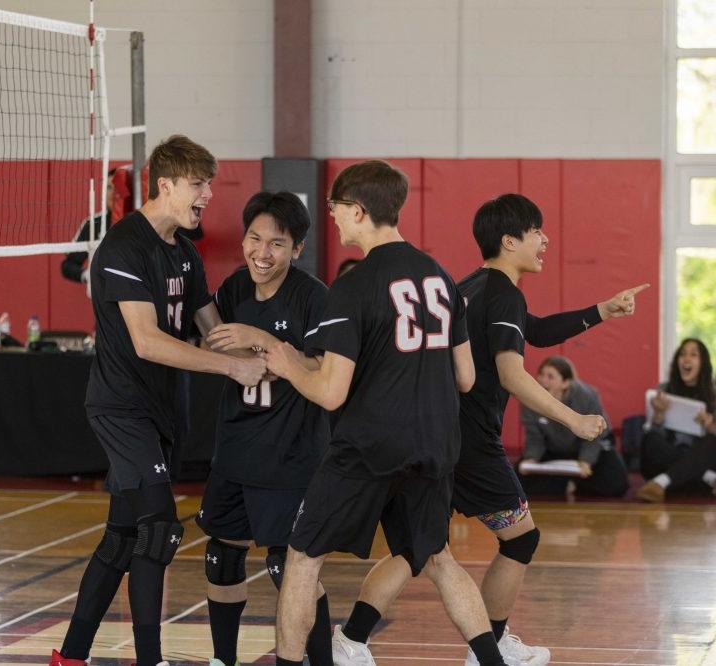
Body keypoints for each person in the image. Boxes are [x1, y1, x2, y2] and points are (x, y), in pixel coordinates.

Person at [331, 193, 647, 666]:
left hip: (433, 435)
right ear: (509, 240)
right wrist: (574, 419)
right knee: (520, 538)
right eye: (537, 231)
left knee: (419, 546)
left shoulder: (473, 286)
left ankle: (351, 639)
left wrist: (602, 310)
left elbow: (534, 330)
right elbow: (512, 373)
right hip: (470, 443)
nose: (545, 239)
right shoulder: (502, 293)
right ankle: (491, 645)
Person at [263, 160, 511, 666]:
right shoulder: (441, 276)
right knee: (439, 558)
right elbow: (466, 378)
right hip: (437, 444)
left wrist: (288, 364)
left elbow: (331, 394)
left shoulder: (353, 286)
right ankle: (493, 662)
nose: (331, 218)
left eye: (334, 209)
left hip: (370, 445)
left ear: (358, 210)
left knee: (303, 558)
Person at [49, 135, 266, 666]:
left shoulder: (185, 254)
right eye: (198, 184)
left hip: (162, 411)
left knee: (123, 537)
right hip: (121, 409)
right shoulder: (123, 248)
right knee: (159, 529)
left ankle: (70, 657)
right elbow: (147, 341)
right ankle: (150, 659)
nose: (208, 195)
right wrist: (232, 367)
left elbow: (211, 329)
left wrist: (274, 353)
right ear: (164, 184)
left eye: (209, 185)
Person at [197, 191, 331, 666]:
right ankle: (222, 659)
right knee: (222, 555)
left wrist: (263, 342)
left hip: (290, 456)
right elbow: (208, 338)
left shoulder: (313, 297)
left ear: (297, 249)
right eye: (255, 238)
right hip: (234, 450)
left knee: (290, 566)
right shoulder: (233, 289)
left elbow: (325, 369)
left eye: (277, 243)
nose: (262, 252)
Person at [519, 356, 629, 498]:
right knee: (518, 479)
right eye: (541, 374)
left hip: (588, 447)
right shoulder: (530, 400)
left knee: (618, 483)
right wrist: (531, 459)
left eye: (550, 376)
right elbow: (534, 437)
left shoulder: (587, 396)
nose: (542, 380)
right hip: (553, 450)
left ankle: (570, 484)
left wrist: (586, 460)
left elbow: (595, 435)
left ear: (565, 383)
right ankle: (568, 485)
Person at [636, 338, 716, 502]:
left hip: (701, 457)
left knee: (712, 440)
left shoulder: (713, 393)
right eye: (682, 354)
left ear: (703, 363)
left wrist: (710, 426)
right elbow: (654, 433)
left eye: (693, 355)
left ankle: (660, 483)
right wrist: (658, 416)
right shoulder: (664, 390)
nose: (686, 359)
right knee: (650, 438)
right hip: (669, 460)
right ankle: (708, 477)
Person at [61, 168, 118, 287]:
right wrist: (86, 275)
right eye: (108, 187)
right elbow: (68, 265)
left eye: (117, 187)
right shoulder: (93, 224)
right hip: (104, 298)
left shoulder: (143, 221)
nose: (113, 192)